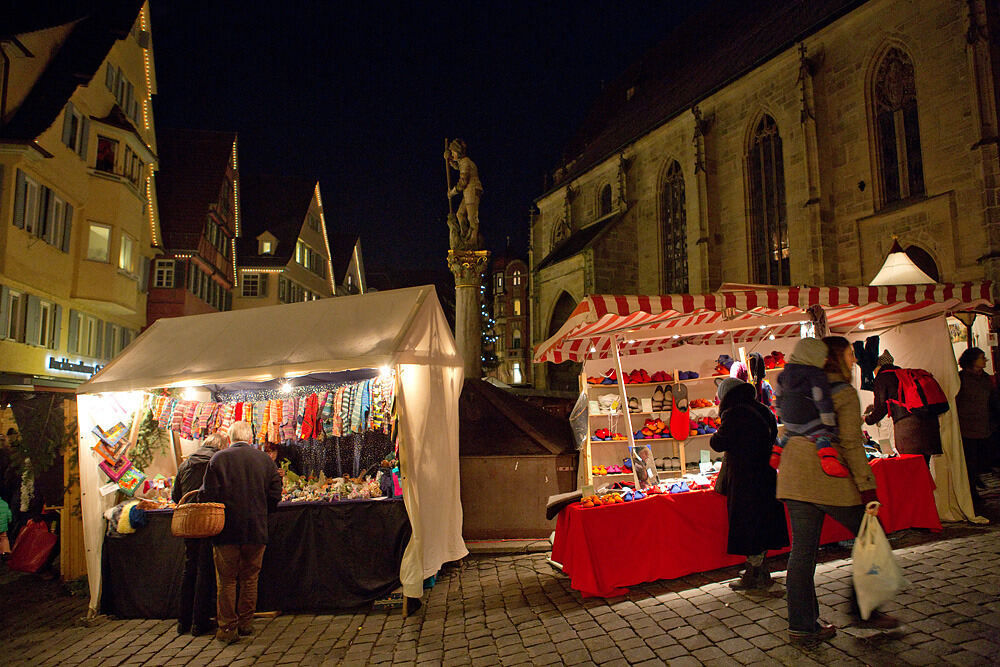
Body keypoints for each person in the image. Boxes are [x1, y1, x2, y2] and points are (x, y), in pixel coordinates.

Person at [776, 336, 898, 644]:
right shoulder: (842, 392)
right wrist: (868, 488)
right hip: (827, 474)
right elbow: (852, 445)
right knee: (873, 536)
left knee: (802, 552)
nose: (854, 360)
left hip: (793, 474)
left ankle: (802, 626)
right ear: (836, 358)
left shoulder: (795, 385)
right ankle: (865, 610)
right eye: (850, 354)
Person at [200, 421, 282, 643]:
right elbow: (276, 493)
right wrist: (263, 511)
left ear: (229, 438)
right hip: (256, 529)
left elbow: (207, 494)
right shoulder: (264, 459)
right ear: (250, 437)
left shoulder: (218, 459)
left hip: (226, 530)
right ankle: (246, 624)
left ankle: (227, 628)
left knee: (226, 581)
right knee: (249, 578)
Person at [711, 377, 788, 590]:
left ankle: (756, 574)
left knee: (748, 524)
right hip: (767, 474)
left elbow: (718, 443)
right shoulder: (763, 410)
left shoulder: (734, 413)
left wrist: (716, 434)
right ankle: (758, 569)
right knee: (762, 523)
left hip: (744, 479)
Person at [172, 432, 228, 636]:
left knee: (190, 569)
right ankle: (200, 623)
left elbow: (175, 495)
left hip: (189, 521)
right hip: (208, 519)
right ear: (221, 446)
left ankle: (183, 622)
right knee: (205, 569)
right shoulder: (216, 462)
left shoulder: (186, 464)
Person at [774, 338, 848, 477]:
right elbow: (820, 396)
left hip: (788, 420)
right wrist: (828, 420)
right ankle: (828, 460)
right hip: (807, 419)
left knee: (788, 434)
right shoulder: (816, 374)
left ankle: (777, 452)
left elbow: (778, 394)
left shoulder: (784, 374)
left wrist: (780, 412)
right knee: (822, 435)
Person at [864, 350, 942, 466]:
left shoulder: (882, 378)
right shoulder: (904, 375)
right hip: (929, 427)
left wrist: (867, 419)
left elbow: (882, 408)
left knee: (912, 469)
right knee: (924, 468)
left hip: (909, 431)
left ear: (878, 367)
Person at [955, 347, 997, 502]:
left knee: (982, 460)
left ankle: (976, 483)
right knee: (970, 462)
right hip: (967, 427)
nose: (985, 360)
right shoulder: (961, 379)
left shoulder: (985, 379)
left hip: (984, 426)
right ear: (972, 361)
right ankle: (972, 492)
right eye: (982, 357)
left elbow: (991, 400)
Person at [444, 138, 484, 250]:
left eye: (453, 152)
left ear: (458, 152)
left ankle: (473, 240)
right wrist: (449, 160)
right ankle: (465, 235)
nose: (452, 154)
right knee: (460, 214)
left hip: (473, 191)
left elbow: (463, 182)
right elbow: (457, 166)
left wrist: (452, 192)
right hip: (468, 192)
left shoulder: (466, 162)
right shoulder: (463, 162)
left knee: (472, 217)